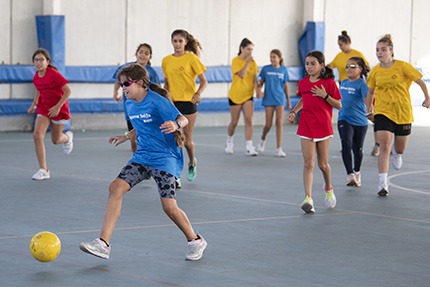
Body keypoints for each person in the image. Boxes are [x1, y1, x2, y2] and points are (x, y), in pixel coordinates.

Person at [79, 64, 207, 261]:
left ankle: (195, 240)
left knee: (169, 207)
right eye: (121, 85)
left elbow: (183, 119)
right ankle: (103, 244)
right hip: (142, 157)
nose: (123, 89)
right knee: (115, 188)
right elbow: (141, 126)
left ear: (139, 82)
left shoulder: (157, 101)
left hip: (165, 159)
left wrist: (175, 124)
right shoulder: (129, 103)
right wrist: (125, 136)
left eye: (126, 84)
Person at [365, 34, 430, 196]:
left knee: (398, 148)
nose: (379, 53)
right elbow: (371, 91)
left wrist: (427, 97)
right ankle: (382, 184)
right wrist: (369, 110)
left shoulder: (402, 67)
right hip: (382, 112)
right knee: (384, 146)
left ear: (391, 51)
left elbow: (420, 81)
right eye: (377, 50)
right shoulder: (375, 71)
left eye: (383, 50)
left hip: (402, 112)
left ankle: (398, 154)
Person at [287, 51, 342, 213]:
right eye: (307, 63)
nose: (309, 67)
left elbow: (338, 105)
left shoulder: (329, 83)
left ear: (321, 65)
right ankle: (308, 198)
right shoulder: (303, 83)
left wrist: (325, 96)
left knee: (323, 165)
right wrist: (294, 111)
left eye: (313, 63)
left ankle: (329, 189)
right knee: (308, 163)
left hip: (323, 127)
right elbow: (304, 99)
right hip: (306, 126)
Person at [162, 29, 207, 186]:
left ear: (185, 42)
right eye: (175, 41)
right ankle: (176, 174)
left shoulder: (191, 59)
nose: (178, 44)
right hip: (173, 104)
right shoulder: (166, 60)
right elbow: (167, 84)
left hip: (189, 103)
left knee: (187, 141)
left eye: (180, 41)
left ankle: (192, 162)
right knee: (175, 140)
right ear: (171, 42)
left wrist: (198, 93)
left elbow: (204, 81)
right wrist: (165, 99)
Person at [328, 31, 379, 156]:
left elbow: (367, 68)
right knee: (345, 116)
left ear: (348, 43)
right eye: (338, 45)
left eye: (341, 44)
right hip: (345, 89)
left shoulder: (357, 54)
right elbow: (331, 66)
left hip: (359, 89)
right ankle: (347, 143)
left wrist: (370, 84)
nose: (340, 47)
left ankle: (378, 143)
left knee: (370, 115)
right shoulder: (339, 56)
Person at [27, 48, 73, 180]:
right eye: (36, 60)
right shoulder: (36, 76)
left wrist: (58, 107)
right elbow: (38, 90)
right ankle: (43, 170)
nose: (38, 62)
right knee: (37, 135)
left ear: (47, 62)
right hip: (43, 108)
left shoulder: (54, 74)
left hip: (58, 109)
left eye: (41, 59)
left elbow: (68, 91)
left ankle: (67, 138)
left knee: (56, 140)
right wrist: (34, 104)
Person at [113, 43, 160, 153]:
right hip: (131, 110)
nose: (143, 55)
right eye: (141, 52)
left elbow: (156, 90)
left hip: (146, 109)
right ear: (136, 54)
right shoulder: (126, 68)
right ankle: (137, 159)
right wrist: (115, 91)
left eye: (146, 53)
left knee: (146, 138)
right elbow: (118, 81)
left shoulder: (152, 73)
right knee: (133, 140)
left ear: (150, 57)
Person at [225, 38, 263, 156]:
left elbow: (254, 79)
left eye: (251, 49)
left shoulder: (253, 62)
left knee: (248, 119)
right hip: (235, 95)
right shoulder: (236, 61)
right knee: (234, 122)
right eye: (248, 49)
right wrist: (247, 62)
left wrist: (258, 90)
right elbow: (241, 75)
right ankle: (229, 141)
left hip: (248, 95)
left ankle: (249, 146)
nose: (250, 52)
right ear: (242, 48)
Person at [338, 57, 370, 187]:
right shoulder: (343, 83)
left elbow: (369, 102)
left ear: (360, 69)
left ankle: (357, 171)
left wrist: (371, 114)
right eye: (347, 66)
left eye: (352, 66)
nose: (348, 69)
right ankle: (350, 174)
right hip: (344, 119)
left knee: (358, 149)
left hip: (360, 121)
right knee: (346, 143)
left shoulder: (363, 85)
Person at [257, 49, 292, 157]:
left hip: (280, 99)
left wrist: (288, 101)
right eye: (271, 57)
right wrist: (259, 91)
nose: (272, 59)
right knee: (268, 124)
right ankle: (262, 139)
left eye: (274, 57)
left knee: (279, 122)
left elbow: (286, 86)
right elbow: (260, 84)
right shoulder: (266, 69)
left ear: (279, 58)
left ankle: (278, 148)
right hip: (268, 98)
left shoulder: (284, 70)